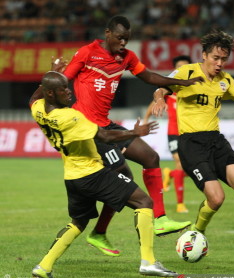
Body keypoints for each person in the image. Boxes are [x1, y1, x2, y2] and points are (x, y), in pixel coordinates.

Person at [63, 15, 202, 256]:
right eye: (119, 38)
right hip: (89, 130)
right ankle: (99, 232)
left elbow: (149, 77)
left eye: (127, 39)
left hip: (107, 124)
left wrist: (183, 82)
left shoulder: (126, 58)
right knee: (123, 178)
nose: (123, 43)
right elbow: (63, 80)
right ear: (107, 33)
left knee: (151, 157)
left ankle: (159, 219)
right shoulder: (87, 53)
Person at [30, 68, 178, 278]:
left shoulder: (39, 110)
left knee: (78, 223)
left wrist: (53, 72)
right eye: (63, 89)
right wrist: (135, 132)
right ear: (51, 93)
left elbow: (34, 97)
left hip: (72, 177)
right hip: (93, 174)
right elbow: (105, 136)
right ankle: (148, 262)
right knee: (144, 202)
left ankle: (43, 266)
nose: (69, 92)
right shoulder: (70, 117)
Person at [151, 30, 234, 262]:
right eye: (215, 58)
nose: (220, 64)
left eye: (224, 59)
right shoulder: (187, 72)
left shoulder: (226, 80)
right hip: (191, 144)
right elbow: (161, 86)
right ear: (204, 56)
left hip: (216, 141)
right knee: (216, 198)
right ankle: (198, 231)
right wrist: (160, 97)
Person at [143, 55, 192, 214]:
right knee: (180, 164)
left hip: (191, 132)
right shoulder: (170, 88)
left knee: (190, 169)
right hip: (174, 133)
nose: (181, 70)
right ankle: (180, 204)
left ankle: (169, 174)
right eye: (179, 67)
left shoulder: (193, 88)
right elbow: (154, 102)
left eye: (185, 66)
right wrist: (145, 119)